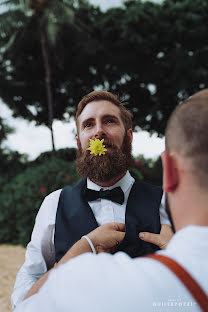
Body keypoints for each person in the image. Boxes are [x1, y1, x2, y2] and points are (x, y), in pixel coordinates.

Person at [14, 88, 208, 312]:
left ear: (129, 136)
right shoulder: (53, 204)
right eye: (88, 124)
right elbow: (30, 276)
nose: (98, 131)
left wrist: (177, 253)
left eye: (109, 121)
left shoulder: (167, 201)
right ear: (79, 143)